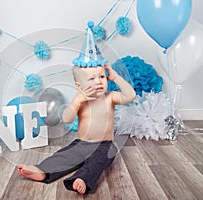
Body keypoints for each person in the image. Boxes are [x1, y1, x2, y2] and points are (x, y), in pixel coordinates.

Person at [17, 64, 136, 194]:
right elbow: (66, 119)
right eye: (91, 79)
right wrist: (76, 102)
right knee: (64, 155)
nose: (98, 82)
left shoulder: (110, 97)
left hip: (104, 145)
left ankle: (82, 178)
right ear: (80, 86)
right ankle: (43, 171)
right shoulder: (80, 101)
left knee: (96, 162)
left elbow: (130, 95)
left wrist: (116, 77)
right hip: (82, 143)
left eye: (101, 76)